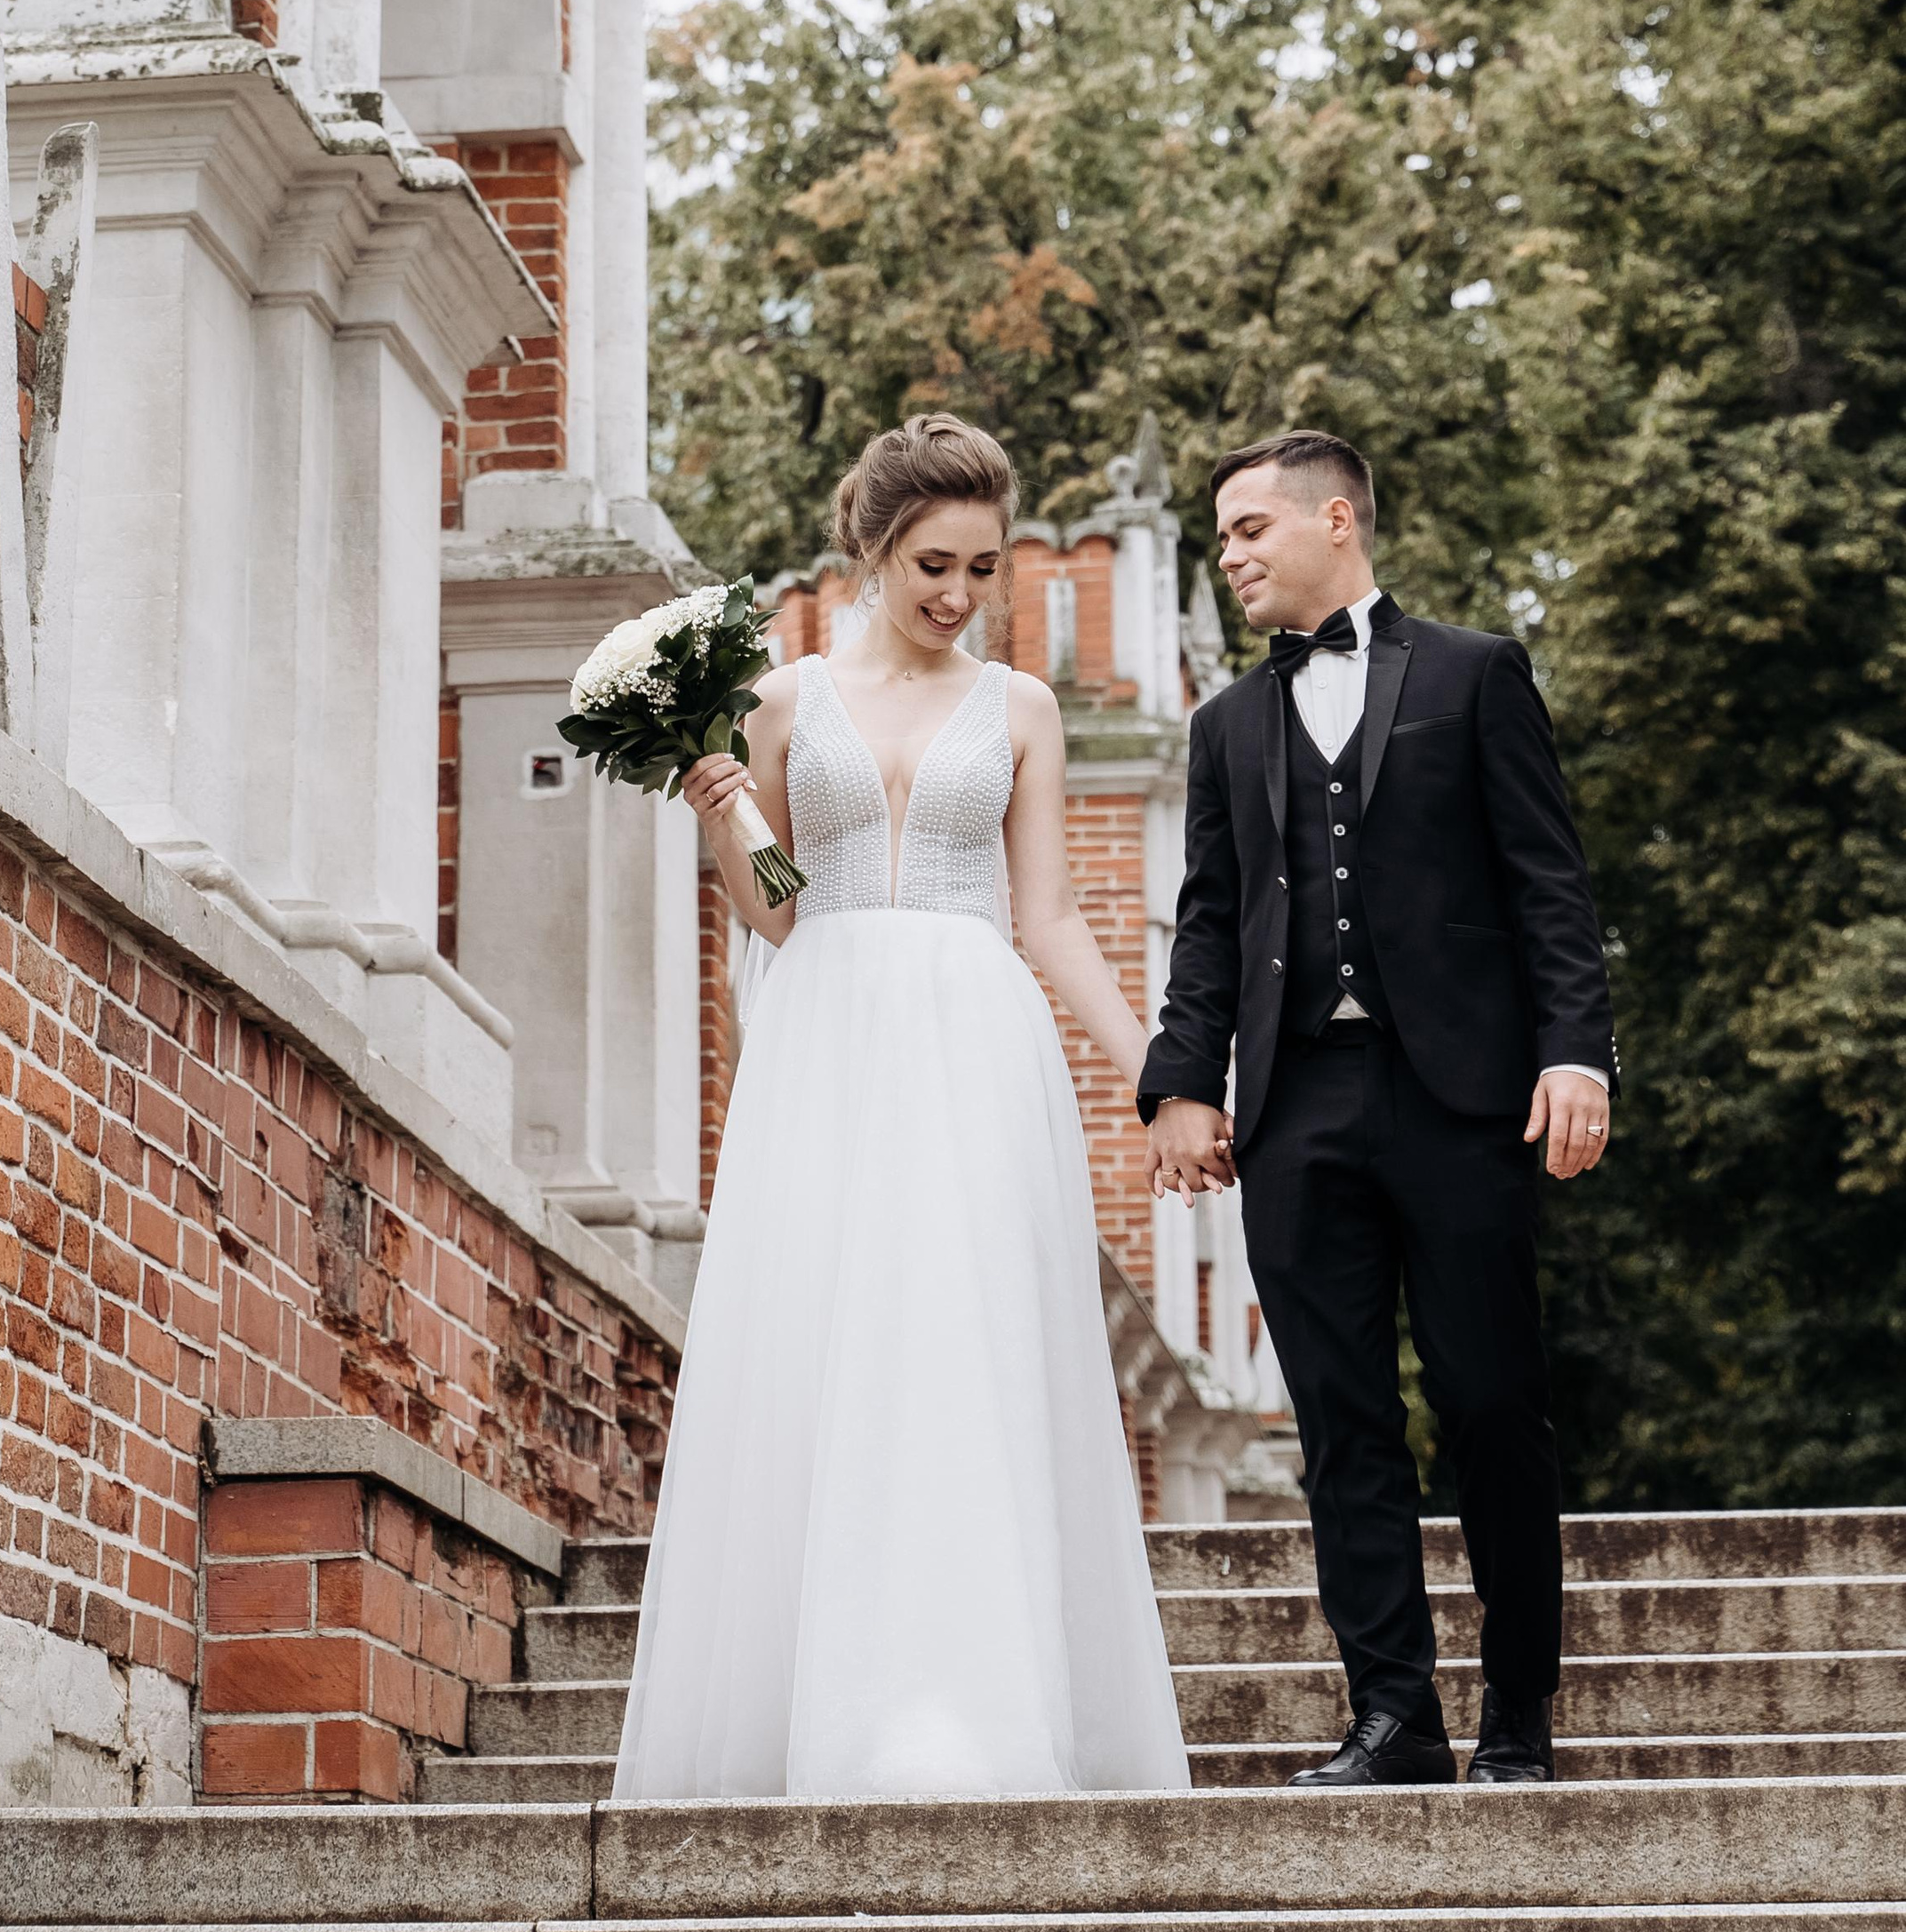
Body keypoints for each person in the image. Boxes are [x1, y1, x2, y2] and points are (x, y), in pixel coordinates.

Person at [615, 411, 1189, 1801]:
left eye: (984, 569)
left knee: (963, 1344)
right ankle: (824, 1709)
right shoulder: (781, 701)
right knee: (828, 1345)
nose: (958, 594)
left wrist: (1159, 1072)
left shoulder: (1023, 711)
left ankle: (973, 1710)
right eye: (935, 563)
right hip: (824, 1042)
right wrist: (719, 811)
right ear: (869, 548)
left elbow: (1049, 918)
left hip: (975, 1039)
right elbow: (777, 916)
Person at [1140, 430, 1615, 1790]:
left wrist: (1577, 1054)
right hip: (1299, 1110)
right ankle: (1394, 1718)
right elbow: (1213, 922)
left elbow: (1549, 887)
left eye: (1246, 529)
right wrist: (1182, 1081)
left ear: (1333, 518)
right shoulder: (1227, 722)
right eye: (1219, 537)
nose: (1228, 554)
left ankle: (1519, 1717)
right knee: (1342, 1420)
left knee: (1490, 1405)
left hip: (1463, 1097)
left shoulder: (1473, 673)